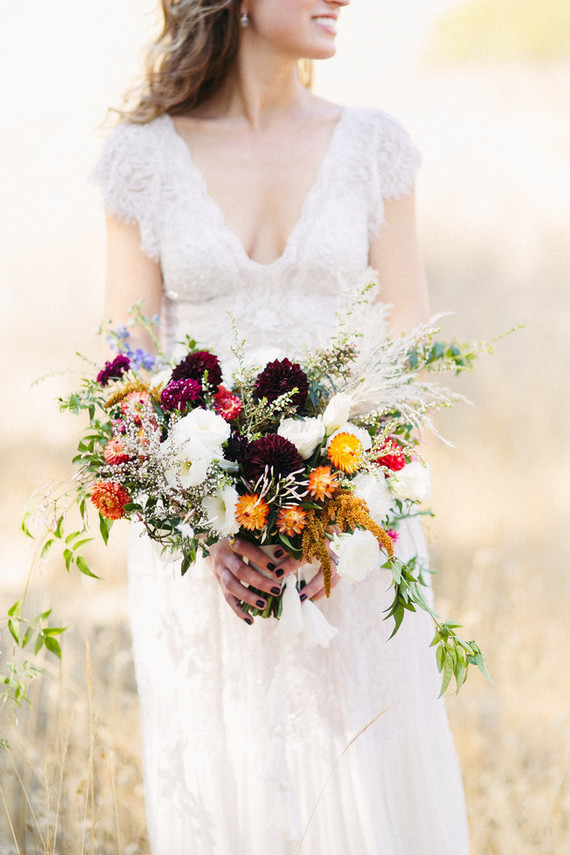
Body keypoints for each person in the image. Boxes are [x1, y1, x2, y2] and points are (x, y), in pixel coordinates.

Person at [93, 1, 470, 852]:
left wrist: (333, 521)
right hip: (203, 562)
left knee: (365, 789)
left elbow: (408, 364)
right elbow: (127, 373)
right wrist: (214, 532)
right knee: (230, 796)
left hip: (355, 540)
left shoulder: (375, 148)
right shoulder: (141, 162)